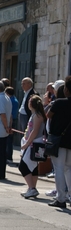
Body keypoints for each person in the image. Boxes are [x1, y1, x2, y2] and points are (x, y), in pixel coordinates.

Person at [46, 75, 71, 208]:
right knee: (69, 169)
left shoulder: (59, 103)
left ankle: (61, 198)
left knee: (59, 168)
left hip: (59, 140)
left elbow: (48, 115)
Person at [19, 95, 46, 199]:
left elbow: (35, 131)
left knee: (23, 166)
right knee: (33, 167)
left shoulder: (37, 115)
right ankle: (32, 188)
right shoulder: (35, 114)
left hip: (33, 143)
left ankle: (32, 188)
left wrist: (27, 143)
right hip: (32, 142)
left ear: (31, 104)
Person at [5, 87, 19, 163]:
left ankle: (8, 157)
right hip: (14, 120)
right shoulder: (15, 99)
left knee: (8, 140)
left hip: (11, 121)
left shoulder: (10, 101)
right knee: (10, 140)